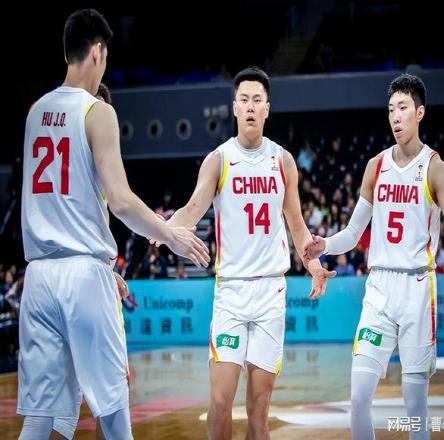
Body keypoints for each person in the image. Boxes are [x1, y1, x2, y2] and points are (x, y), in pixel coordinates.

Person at [19, 9, 209, 440]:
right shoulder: (97, 111)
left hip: (39, 278)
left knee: (40, 417)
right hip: (83, 276)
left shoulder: (34, 112)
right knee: (113, 407)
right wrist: (170, 235)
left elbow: (59, 198)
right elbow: (120, 201)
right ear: (98, 53)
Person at [156, 66, 335, 439]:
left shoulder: (283, 161)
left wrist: (315, 265)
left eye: (257, 100)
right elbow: (192, 209)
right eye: (244, 100)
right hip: (232, 292)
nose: (251, 106)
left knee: (259, 408)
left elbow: (297, 225)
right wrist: (162, 230)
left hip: (271, 291)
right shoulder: (219, 159)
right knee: (220, 402)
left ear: (267, 108)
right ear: (234, 107)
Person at [304, 73, 444, 439]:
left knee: (415, 407)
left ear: (420, 113)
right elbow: (352, 233)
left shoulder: (435, 168)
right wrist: (324, 245)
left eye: (403, 108)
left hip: (417, 287)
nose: (395, 116)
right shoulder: (376, 166)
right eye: (391, 109)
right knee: (358, 396)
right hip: (379, 288)